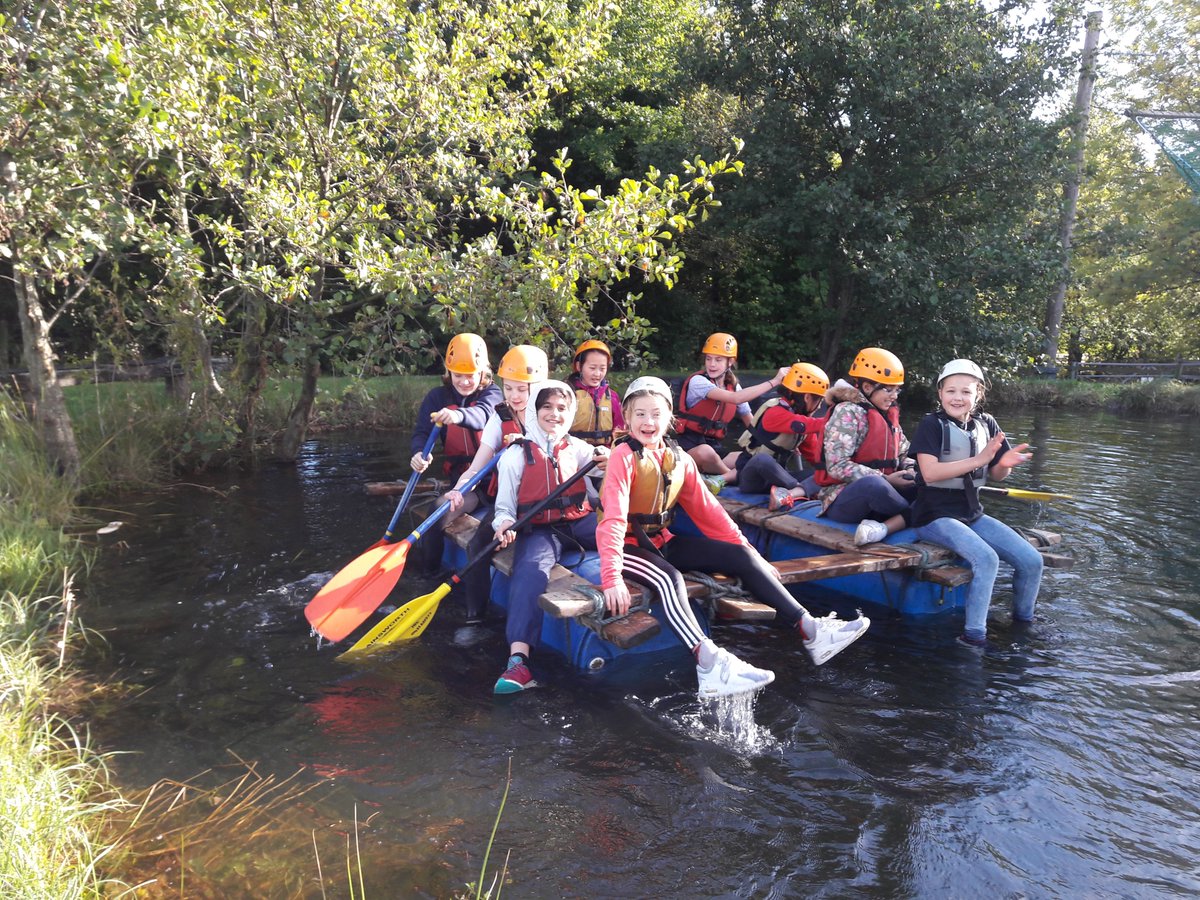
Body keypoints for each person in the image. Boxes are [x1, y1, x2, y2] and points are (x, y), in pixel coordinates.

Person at [597, 377, 870, 699]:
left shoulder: (680, 459)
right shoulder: (623, 457)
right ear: (627, 418)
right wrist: (611, 577)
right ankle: (708, 662)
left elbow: (709, 512)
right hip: (629, 547)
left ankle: (811, 629)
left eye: (656, 414)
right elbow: (614, 517)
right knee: (671, 580)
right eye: (640, 414)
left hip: (662, 539)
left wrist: (751, 556)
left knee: (738, 556)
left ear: (669, 417)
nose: (648, 422)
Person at [910, 359, 1044, 649]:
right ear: (940, 393)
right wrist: (980, 459)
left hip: (971, 513)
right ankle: (974, 637)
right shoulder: (930, 425)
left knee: (1032, 561)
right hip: (934, 515)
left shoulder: (987, 424)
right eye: (951, 391)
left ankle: (1023, 623)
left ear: (978, 394)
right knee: (987, 559)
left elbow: (995, 473)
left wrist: (1004, 465)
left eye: (966, 392)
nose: (958, 398)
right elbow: (930, 473)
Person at [491, 380, 609, 694]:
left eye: (561, 408)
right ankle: (518, 662)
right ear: (535, 410)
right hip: (541, 530)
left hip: (579, 522)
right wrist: (503, 525)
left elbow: (605, 468)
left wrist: (607, 458)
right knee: (529, 572)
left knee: (617, 538)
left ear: (569, 413)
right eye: (546, 407)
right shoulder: (515, 455)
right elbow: (504, 508)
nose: (553, 414)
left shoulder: (580, 448)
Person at [445, 345, 548, 624]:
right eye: (509, 388)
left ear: (537, 387)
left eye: (522, 389)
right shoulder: (498, 416)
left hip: (546, 504)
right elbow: (477, 465)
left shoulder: (552, 414)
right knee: (477, 544)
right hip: (510, 503)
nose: (514, 396)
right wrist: (460, 488)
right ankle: (474, 617)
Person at [814, 347, 916, 545]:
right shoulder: (847, 412)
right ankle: (919, 513)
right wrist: (886, 479)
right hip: (842, 498)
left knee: (927, 482)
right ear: (868, 387)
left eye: (897, 389)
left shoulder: (887, 414)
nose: (895, 395)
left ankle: (917, 511)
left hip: (884, 491)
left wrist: (911, 470)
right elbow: (837, 465)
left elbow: (904, 451)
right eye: (889, 389)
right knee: (874, 484)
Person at [675, 332, 789, 488]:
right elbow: (737, 399)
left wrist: (778, 443)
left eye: (718, 359)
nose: (712, 364)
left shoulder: (733, 386)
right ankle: (729, 478)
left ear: (730, 362)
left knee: (752, 456)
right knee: (706, 452)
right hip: (689, 449)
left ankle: (724, 477)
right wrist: (775, 381)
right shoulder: (698, 382)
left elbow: (752, 425)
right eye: (708, 359)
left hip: (716, 450)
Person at [732, 362, 831, 510]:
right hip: (752, 478)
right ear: (807, 397)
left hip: (778, 479)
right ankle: (796, 492)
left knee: (825, 474)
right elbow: (803, 424)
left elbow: (816, 458)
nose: (819, 406)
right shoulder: (775, 412)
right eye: (819, 401)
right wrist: (839, 420)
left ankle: (792, 493)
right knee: (762, 459)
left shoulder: (803, 424)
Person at [410, 333, 502, 491]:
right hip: (459, 479)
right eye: (457, 375)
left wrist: (457, 415)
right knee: (440, 510)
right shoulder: (437, 397)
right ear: (449, 372)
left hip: (493, 476)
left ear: (482, 373)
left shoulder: (493, 393)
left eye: (470, 375)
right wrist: (419, 453)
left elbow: (483, 415)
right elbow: (422, 432)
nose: (464, 382)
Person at [567, 339, 625, 447]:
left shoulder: (612, 397)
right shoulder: (568, 393)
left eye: (602, 368)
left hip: (604, 452)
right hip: (573, 451)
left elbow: (620, 429)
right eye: (592, 368)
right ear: (579, 366)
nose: (597, 374)